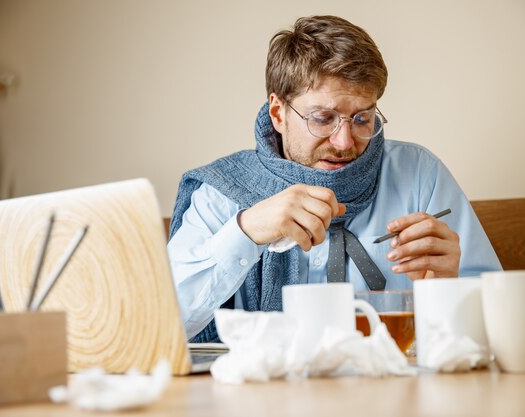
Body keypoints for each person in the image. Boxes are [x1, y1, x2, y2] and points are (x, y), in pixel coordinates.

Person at [168, 15, 501, 343]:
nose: (344, 142)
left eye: (362, 118)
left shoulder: (419, 175)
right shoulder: (220, 194)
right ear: (278, 113)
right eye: (323, 118)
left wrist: (449, 286)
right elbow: (165, 326)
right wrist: (245, 232)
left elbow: (496, 326)